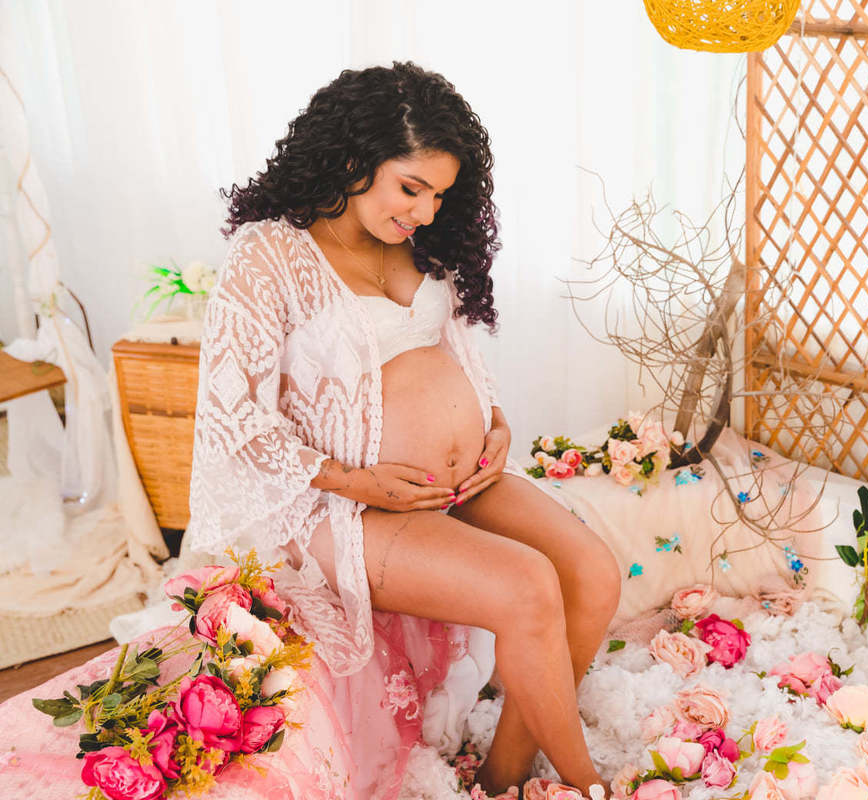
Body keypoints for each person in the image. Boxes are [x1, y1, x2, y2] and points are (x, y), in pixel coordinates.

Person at [186, 61, 621, 798]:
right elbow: (235, 416)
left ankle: (504, 774)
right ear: (351, 161)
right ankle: (588, 786)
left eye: (440, 194)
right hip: (341, 504)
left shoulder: (420, 242)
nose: (424, 210)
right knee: (528, 586)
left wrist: (495, 424)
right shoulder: (270, 254)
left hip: (456, 481)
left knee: (594, 571)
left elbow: (455, 352)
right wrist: (354, 481)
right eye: (411, 188)